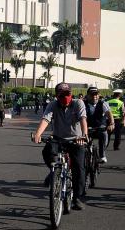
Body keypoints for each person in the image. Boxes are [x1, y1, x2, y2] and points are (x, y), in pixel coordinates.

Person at [32, 82, 88, 210]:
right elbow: (46, 119)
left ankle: (77, 198)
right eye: (62, 95)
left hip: (76, 140)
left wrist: (84, 135)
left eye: (67, 94)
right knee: (47, 152)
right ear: (57, 96)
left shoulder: (78, 103)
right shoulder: (53, 105)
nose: (65, 97)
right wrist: (38, 134)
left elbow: (83, 119)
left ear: (71, 94)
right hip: (58, 138)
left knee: (79, 168)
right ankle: (54, 172)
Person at [84, 86, 114, 163]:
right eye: (92, 95)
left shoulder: (103, 103)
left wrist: (111, 123)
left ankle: (102, 155)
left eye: (96, 94)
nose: (94, 97)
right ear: (87, 95)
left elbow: (109, 114)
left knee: (104, 134)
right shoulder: (82, 104)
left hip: (100, 128)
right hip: (86, 129)